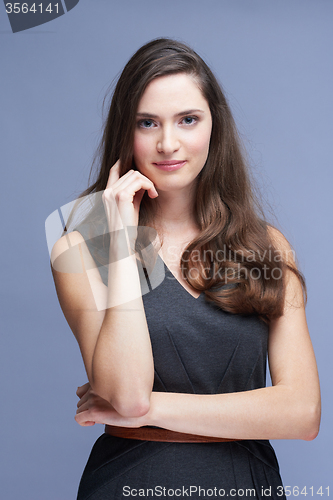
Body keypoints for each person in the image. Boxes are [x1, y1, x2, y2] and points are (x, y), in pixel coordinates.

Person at [50, 38, 321, 500]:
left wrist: (148, 409)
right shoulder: (80, 250)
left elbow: (302, 412)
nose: (167, 143)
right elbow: (127, 394)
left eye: (188, 120)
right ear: (125, 131)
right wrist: (119, 241)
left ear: (214, 126)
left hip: (246, 484)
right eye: (147, 122)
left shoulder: (267, 247)